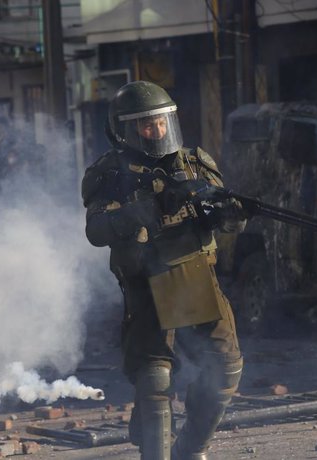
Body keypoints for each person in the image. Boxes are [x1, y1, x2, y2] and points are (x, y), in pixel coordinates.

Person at [81, 81, 246, 460]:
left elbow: (220, 215)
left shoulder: (194, 163)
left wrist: (231, 217)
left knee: (225, 370)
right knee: (155, 379)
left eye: (160, 123)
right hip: (146, 284)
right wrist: (140, 212)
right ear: (124, 129)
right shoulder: (109, 173)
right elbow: (96, 230)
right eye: (144, 125)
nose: (155, 131)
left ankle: (190, 450)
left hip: (194, 278)